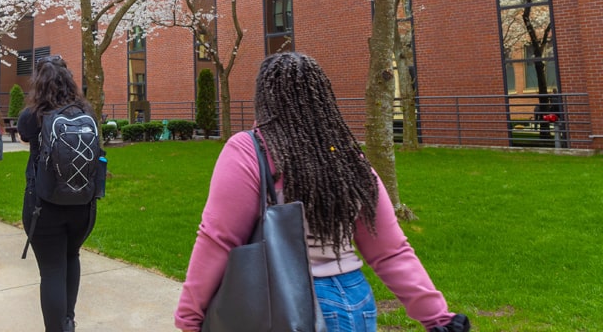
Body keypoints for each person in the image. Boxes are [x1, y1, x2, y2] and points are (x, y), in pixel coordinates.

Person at [175, 52, 470, 332]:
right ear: (323, 98)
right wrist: (438, 318)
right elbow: (391, 251)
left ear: (264, 99)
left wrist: (190, 316)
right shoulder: (349, 158)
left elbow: (217, 238)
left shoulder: (249, 150)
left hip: (288, 302)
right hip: (357, 301)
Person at [17, 54, 97, 332]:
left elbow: (23, 135)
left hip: (43, 205)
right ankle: (68, 323)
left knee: (51, 270)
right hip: (82, 205)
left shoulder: (32, 115)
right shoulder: (86, 112)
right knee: (71, 257)